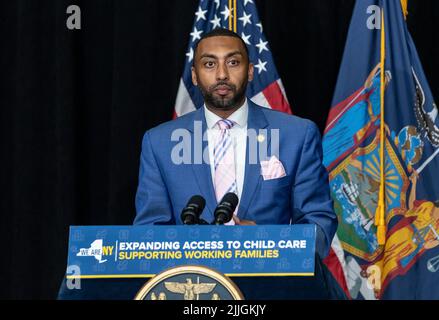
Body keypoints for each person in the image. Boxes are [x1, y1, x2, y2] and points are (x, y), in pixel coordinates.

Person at [133, 28, 337, 259]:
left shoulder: (296, 135)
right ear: (194, 75)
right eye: (209, 64)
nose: (221, 74)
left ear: (250, 71)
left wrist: (266, 243)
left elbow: (319, 225)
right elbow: (148, 236)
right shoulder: (159, 142)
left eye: (233, 62)